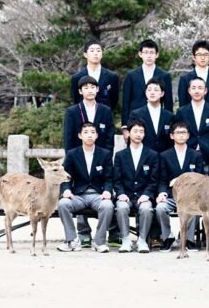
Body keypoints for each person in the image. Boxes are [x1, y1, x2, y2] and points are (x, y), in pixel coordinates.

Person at [57, 122, 114, 253]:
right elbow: (65, 177)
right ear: (80, 136)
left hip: (98, 194)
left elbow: (109, 178)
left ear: (97, 135)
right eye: (86, 132)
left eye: (93, 132)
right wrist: (66, 190)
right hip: (78, 195)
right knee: (63, 204)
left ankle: (99, 242)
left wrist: (107, 191)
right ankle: (72, 240)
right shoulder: (72, 154)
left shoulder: (104, 154)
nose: (89, 135)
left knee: (108, 206)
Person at [154, 121, 207, 251]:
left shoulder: (196, 155)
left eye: (184, 132)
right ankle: (167, 237)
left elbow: (200, 179)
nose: (181, 135)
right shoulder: (164, 156)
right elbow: (162, 179)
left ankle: (189, 240)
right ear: (172, 136)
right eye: (178, 133)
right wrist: (162, 193)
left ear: (188, 135)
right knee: (160, 208)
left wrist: (180, 180)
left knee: (195, 205)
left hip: (191, 196)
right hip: (172, 196)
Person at [110, 121, 160, 253]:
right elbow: (117, 179)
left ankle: (142, 240)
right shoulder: (120, 155)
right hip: (126, 194)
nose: (138, 134)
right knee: (121, 207)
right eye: (135, 131)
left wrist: (147, 194)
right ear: (128, 133)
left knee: (146, 208)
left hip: (143, 194)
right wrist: (120, 193)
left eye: (141, 131)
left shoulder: (152, 155)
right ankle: (126, 239)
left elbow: (154, 180)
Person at [171, 76, 209, 165]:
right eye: (193, 88)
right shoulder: (181, 111)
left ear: (205, 90)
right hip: (188, 154)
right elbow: (178, 134)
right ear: (189, 90)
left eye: (200, 88)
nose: (197, 91)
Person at [121, 39, 173, 127]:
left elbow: (168, 102)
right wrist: (125, 125)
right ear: (140, 54)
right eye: (146, 52)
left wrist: (169, 124)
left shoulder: (164, 76)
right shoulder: (131, 75)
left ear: (157, 55)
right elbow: (126, 102)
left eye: (152, 53)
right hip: (135, 120)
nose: (149, 56)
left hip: (157, 119)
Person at [63, 76, 115, 153]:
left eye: (92, 87)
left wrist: (107, 156)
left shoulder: (105, 110)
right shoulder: (72, 112)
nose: (90, 91)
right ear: (80, 91)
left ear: (97, 89)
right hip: (78, 156)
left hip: (101, 155)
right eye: (86, 88)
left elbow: (109, 136)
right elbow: (68, 138)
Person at [176, 39, 209, 112]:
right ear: (194, 57)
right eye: (199, 54)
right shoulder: (185, 79)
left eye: (205, 54)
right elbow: (183, 105)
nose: (203, 58)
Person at [69, 40, 120, 109]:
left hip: (104, 115)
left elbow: (114, 100)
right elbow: (75, 99)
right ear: (85, 54)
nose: (95, 53)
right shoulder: (77, 77)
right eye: (92, 51)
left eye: (98, 51)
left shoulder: (111, 76)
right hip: (84, 116)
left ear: (102, 54)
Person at [129, 78, 173, 153]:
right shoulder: (136, 114)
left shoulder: (170, 116)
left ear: (162, 93)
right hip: (144, 156)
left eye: (156, 90)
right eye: (149, 90)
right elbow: (132, 138)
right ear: (145, 92)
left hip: (164, 157)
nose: (152, 93)